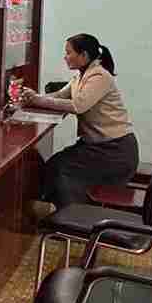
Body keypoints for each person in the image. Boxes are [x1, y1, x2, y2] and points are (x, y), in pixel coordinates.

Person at [19, 33, 139, 211]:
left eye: (68, 53)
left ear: (83, 56)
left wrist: (37, 100)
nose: (65, 57)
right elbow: (60, 96)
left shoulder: (100, 76)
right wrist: (34, 97)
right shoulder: (81, 76)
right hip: (97, 147)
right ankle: (63, 212)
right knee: (54, 166)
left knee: (59, 168)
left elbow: (78, 105)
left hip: (114, 151)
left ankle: (72, 216)